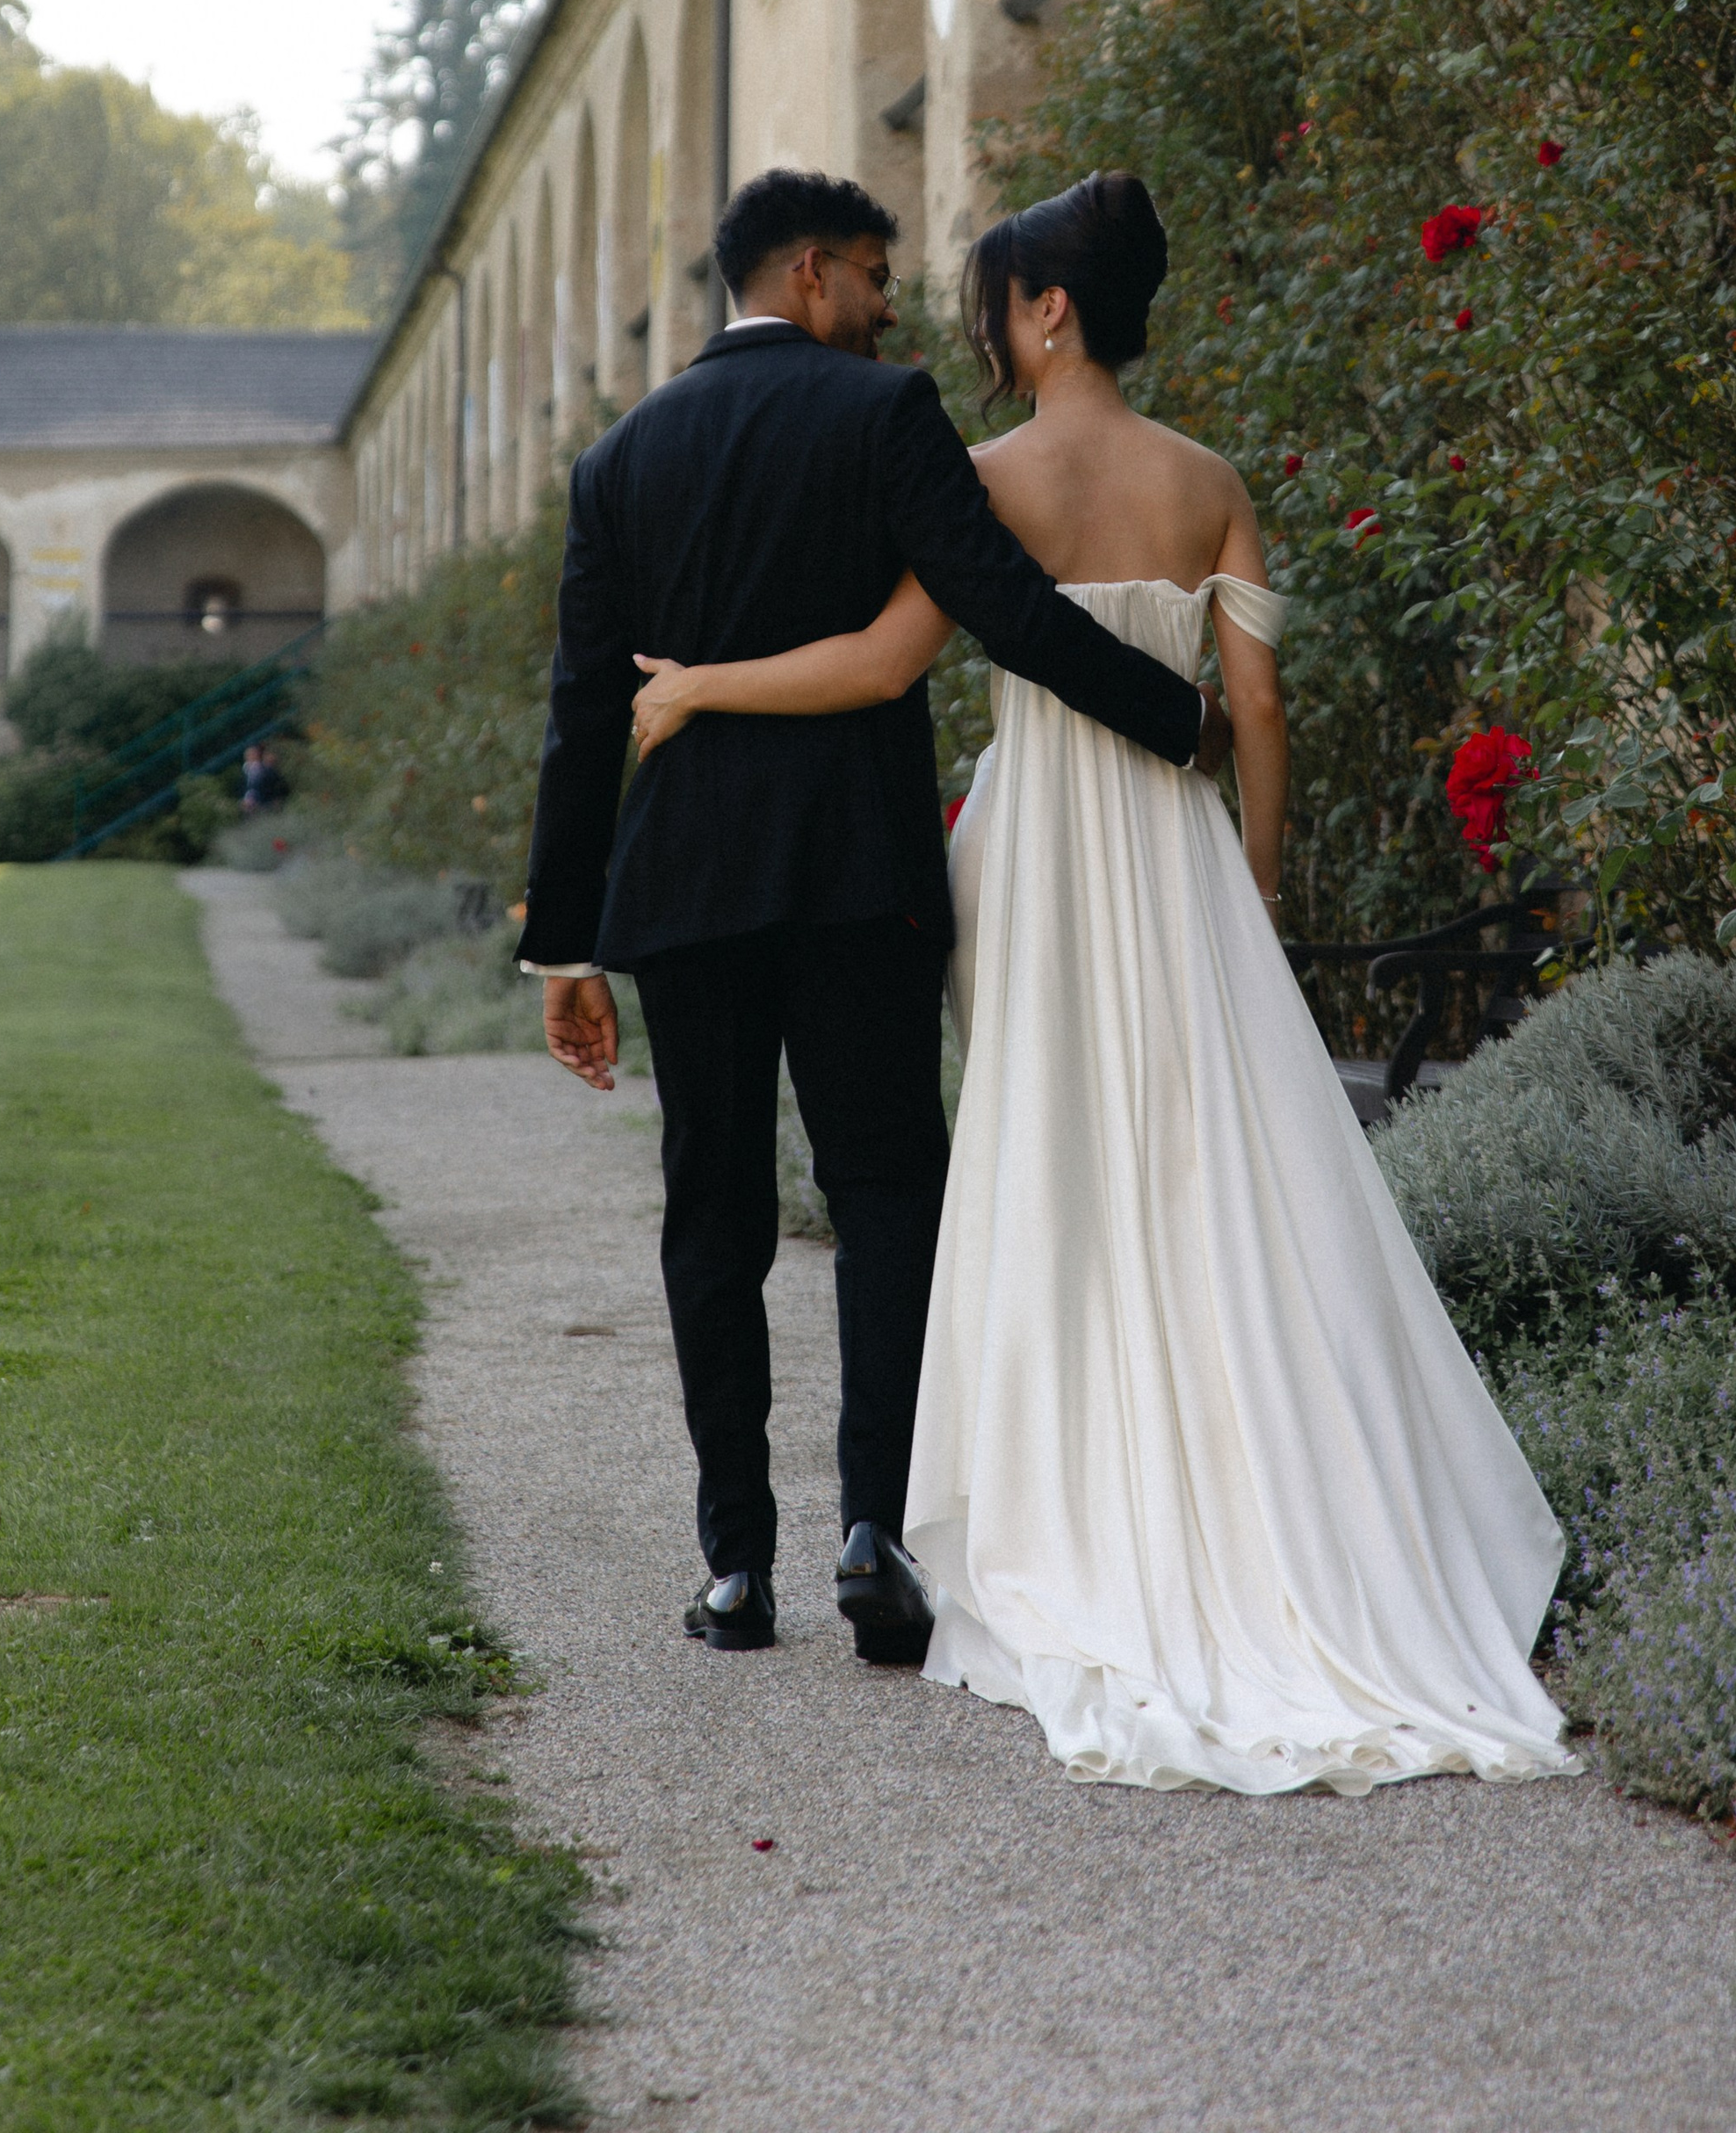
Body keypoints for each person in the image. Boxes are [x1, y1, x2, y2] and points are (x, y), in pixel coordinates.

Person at [627, 170, 1580, 1794]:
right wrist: (1254, 889)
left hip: (1037, 856)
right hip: (1177, 853)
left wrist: (700, 684)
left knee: (1040, 1168)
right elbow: (1261, 714)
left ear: (1048, 309)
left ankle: (1045, 1500)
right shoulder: (1207, 481)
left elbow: (879, 665)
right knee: (1212, 1173)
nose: (978, 330)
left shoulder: (980, 473)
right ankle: (1271, 1505)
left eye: (996, 299)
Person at [517, 167, 1230, 1667]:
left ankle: (732, 1570)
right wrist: (1180, 719)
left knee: (710, 1214)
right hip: (859, 881)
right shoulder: (885, 413)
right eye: (881, 281)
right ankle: (875, 1532)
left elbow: (586, 716)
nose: (894, 310)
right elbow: (1007, 607)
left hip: (692, 897)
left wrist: (566, 946)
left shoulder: (616, 463)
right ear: (820, 270)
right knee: (890, 1193)